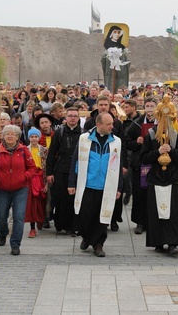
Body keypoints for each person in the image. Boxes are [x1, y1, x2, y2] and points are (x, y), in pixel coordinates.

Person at [67, 112, 123, 257]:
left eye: (112, 123)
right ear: (99, 125)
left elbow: (118, 165)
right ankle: (87, 237)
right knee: (85, 215)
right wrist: (71, 182)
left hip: (106, 186)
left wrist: (119, 187)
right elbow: (75, 160)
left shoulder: (116, 141)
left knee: (102, 217)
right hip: (87, 184)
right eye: (108, 124)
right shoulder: (84, 139)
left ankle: (98, 244)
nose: (112, 126)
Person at [139, 96, 178, 255]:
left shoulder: (175, 136)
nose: (165, 121)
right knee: (156, 211)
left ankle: (173, 242)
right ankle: (157, 241)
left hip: (172, 178)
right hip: (156, 178)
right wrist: (157, 152)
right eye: (163, 118)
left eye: (169, 118)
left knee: (173, 212)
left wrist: (171, 151)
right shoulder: (151, 135)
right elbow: (144, 158)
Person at [0, 125, 37, 256]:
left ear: (17, 137)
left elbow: (32, 168)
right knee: (1, 215)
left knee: (18, 216)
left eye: (12, 134)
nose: (9, 136)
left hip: (20, 189)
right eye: (7, 133)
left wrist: (24, 177)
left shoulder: (24, 150)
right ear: (3, 136)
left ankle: (15, 244)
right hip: (2, 189)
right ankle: (3, 233)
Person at [46, 107, 83, 235]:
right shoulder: (59, 132)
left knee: (73, 199)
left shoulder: (83, 134)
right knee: (60, 198)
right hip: (61, 169)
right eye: (70, 115)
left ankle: (72, 226)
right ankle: (60, 223)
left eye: (75, 116)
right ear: (66, 117)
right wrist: (49, 173)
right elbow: (52, 153)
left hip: (77, 171)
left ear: (78, 118)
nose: (73, 118)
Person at [127, 97, 157, 234]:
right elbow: (127, 142)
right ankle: (140, 222)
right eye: (148, 105)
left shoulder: (162, 123)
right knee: (139, 193)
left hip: (156, 162)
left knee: (154, 193)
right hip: (140, 163)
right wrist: (136, 142)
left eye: (152, 106)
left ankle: (153, 221)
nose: (150, 108)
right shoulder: (136, 124)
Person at [25, 128, 48, 238]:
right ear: (28, 138)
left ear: (39, 138)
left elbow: (47, 166)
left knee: (42, 201)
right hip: (30, 178)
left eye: (36, 136)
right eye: (31, 137)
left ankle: (41, 218)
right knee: (32, 203)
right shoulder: (25, 150)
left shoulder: (44, 150)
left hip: (41, 178)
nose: (34, 139)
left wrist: (47, 183)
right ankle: (32, 227)